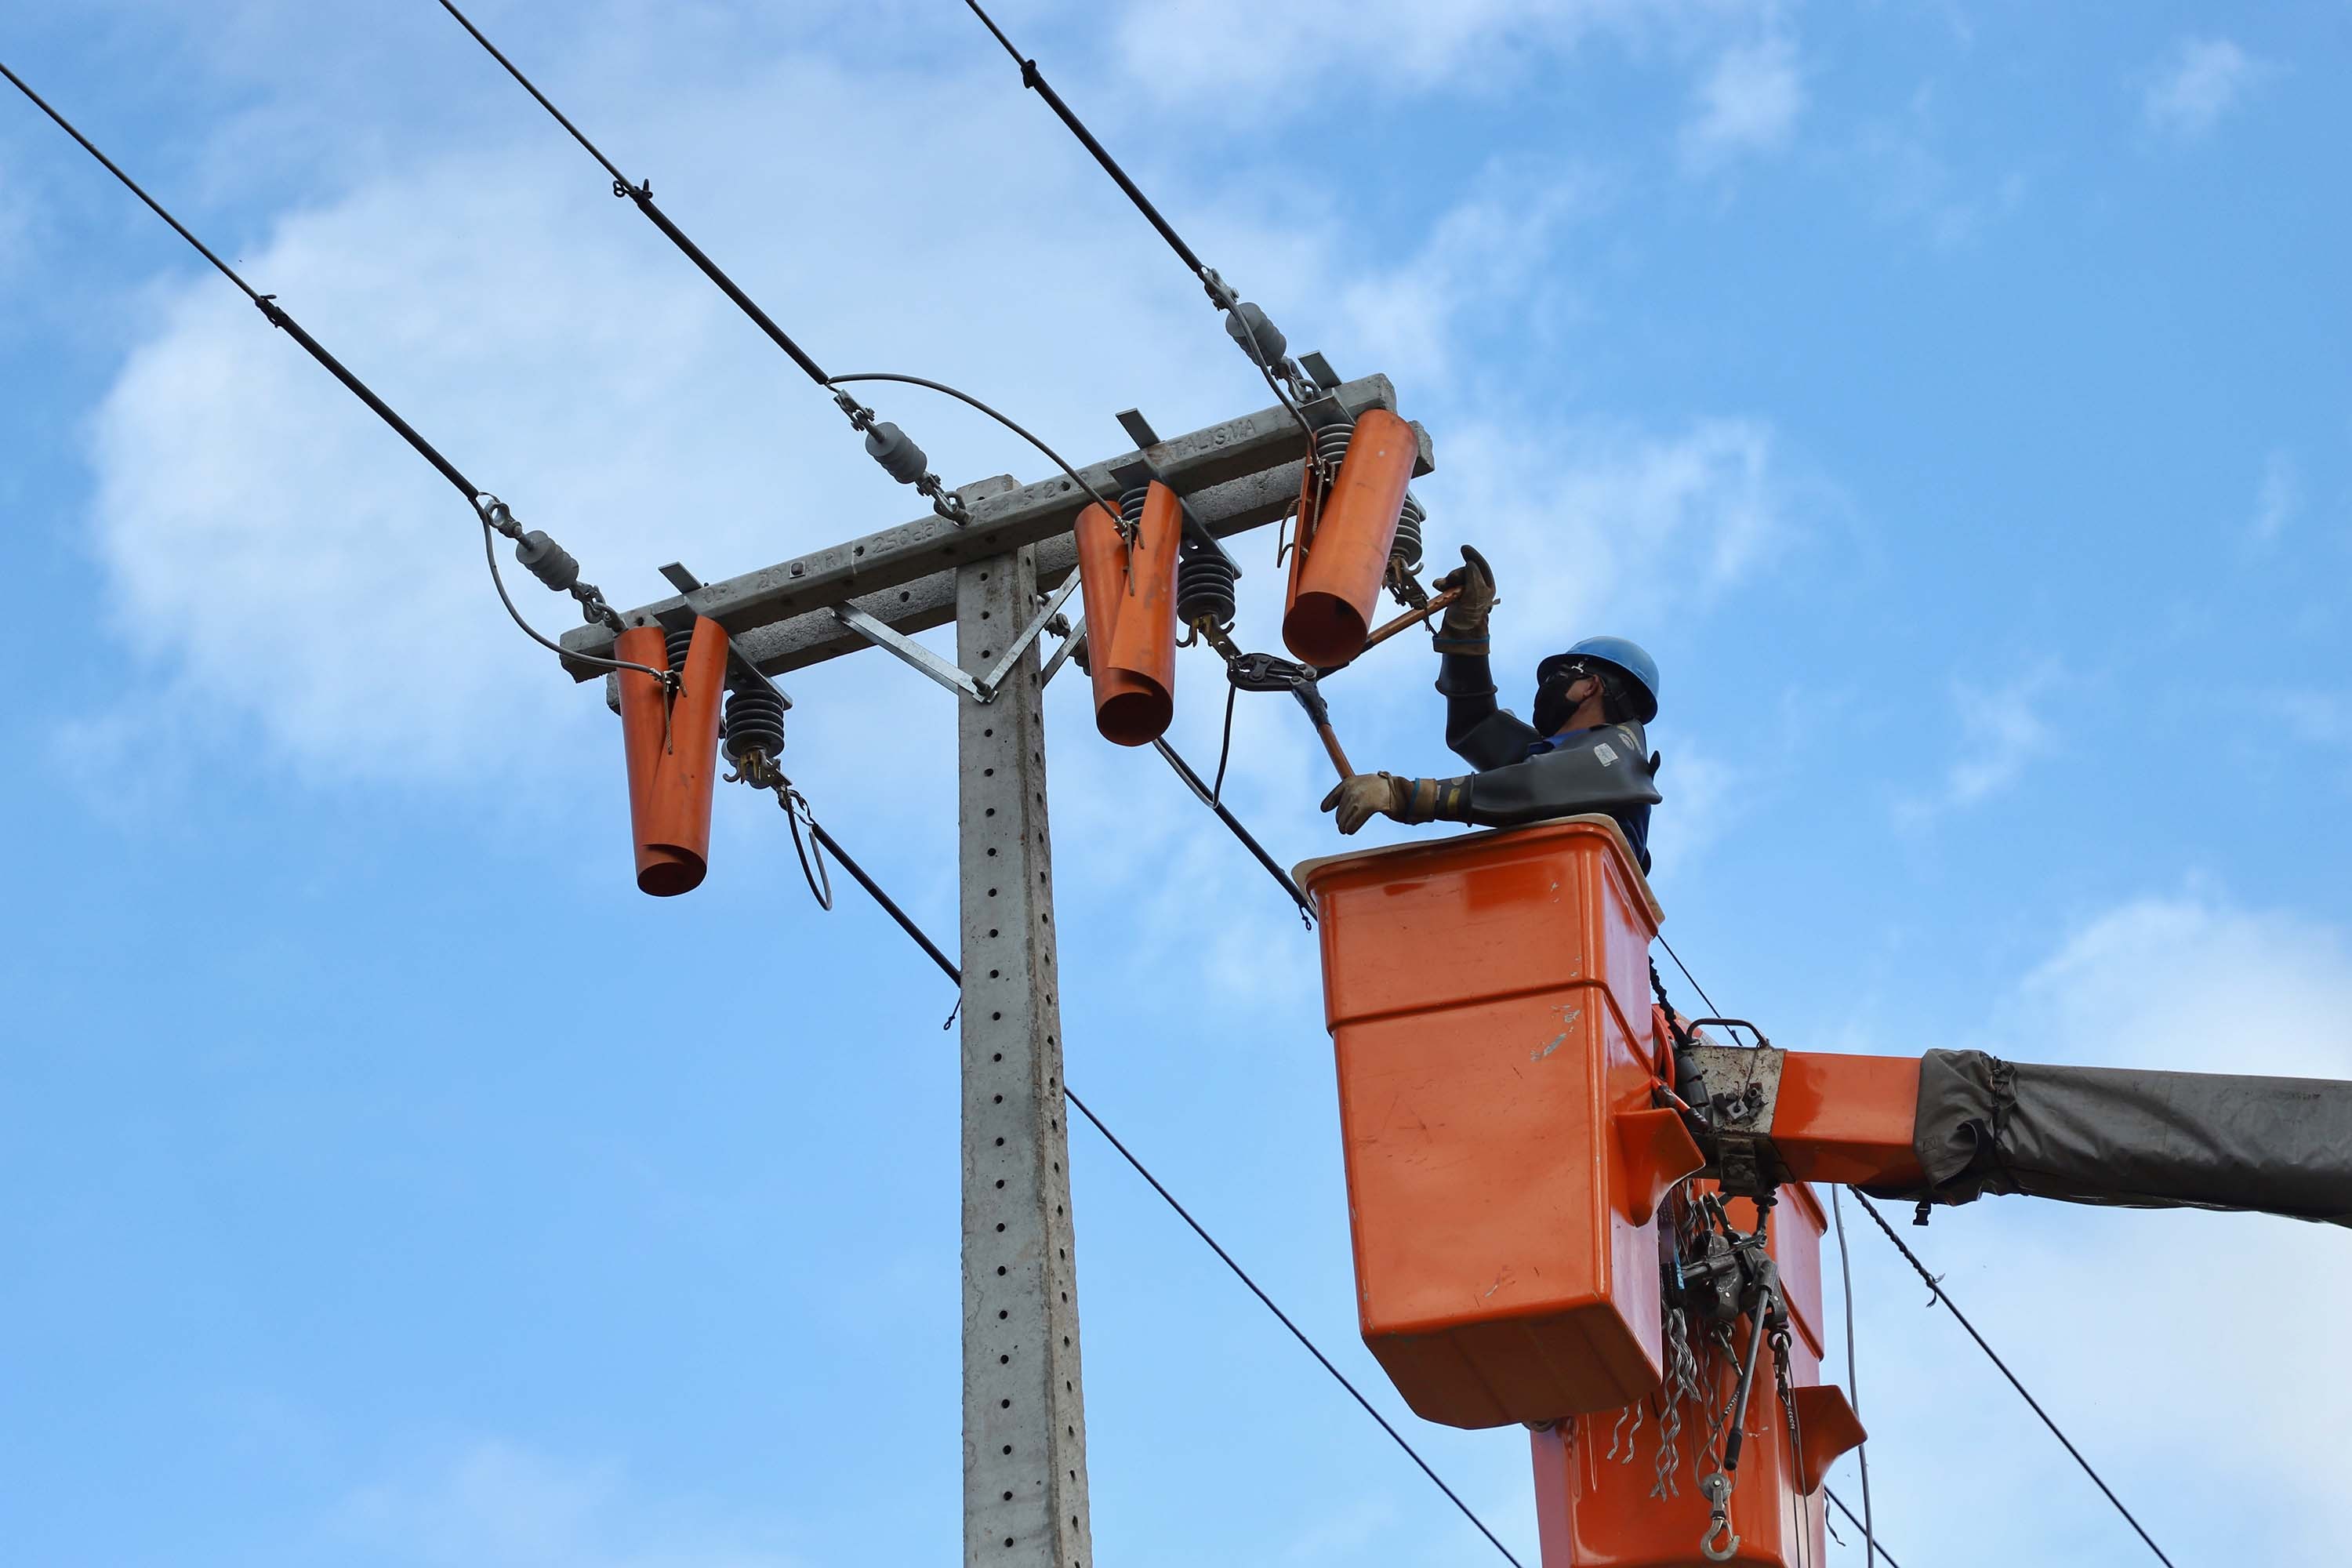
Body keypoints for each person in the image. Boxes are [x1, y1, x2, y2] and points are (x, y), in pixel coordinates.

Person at [1317, 546, 1664, 871]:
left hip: (1573, 902)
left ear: (1591, 685)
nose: (1546, 687)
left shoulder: (1617, 755)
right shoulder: (1557, 755)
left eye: (1559, 676)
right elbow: (1476, 727)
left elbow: (1533, 785)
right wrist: (1466, 630)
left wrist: (1404, 795)